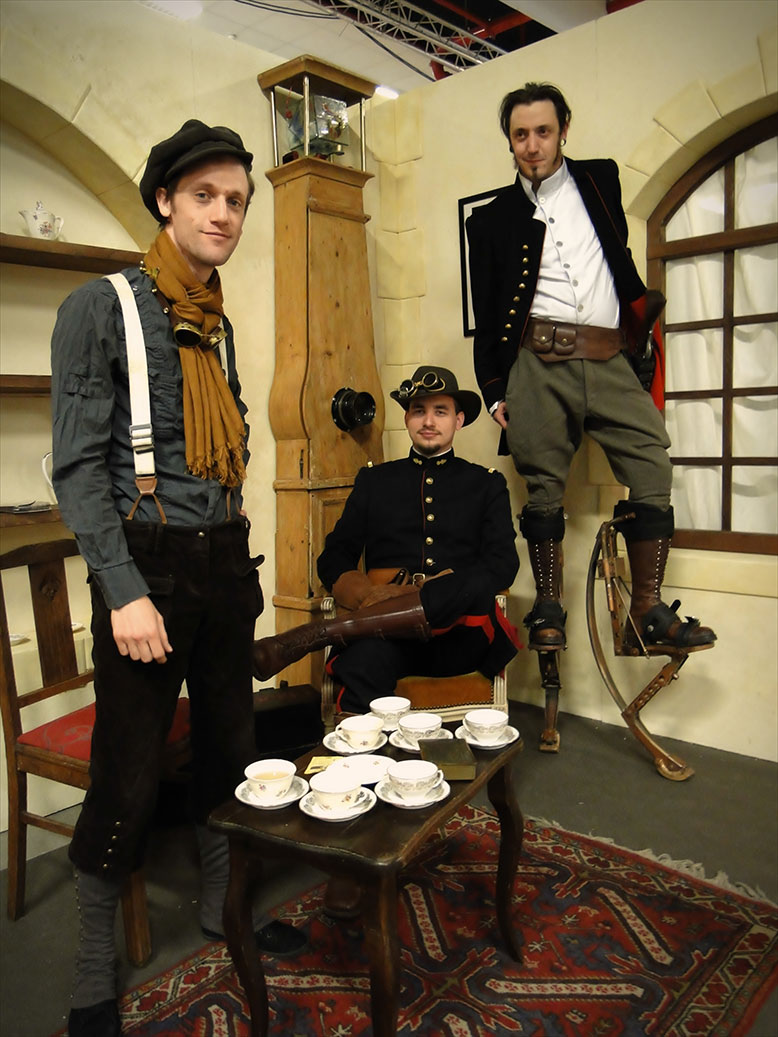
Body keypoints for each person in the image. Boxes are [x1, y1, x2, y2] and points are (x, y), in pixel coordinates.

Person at [51, 120, 304, 1037]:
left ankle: (219, 908)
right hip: (147, 565)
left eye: (235, 200)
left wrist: (234, 550)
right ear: (165, 200)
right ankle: (92, 971)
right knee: (127, 772)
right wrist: (123, 590)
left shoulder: (215, 319)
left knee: (230, 749)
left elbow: (219, 454)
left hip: (223, 559)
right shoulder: (101, 306)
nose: (223, 213)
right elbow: (78, 468)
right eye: (205, 195)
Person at [465, 82, 716, 653]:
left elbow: (618, 263)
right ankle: (548, 609)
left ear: (564, 131)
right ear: (509, 140)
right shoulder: (490, 221)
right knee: (543, 486)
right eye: (521, 134)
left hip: (608, 356)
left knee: (652, 463)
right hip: (537, 361)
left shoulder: (600, 179)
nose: (532, 145)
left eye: (543, 131)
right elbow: (488, 314)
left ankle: (647, 611)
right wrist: (496, 391)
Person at [252, 365, 520, 711]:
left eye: (440, 412)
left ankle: (319, 634)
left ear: (459, 420)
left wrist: (428, 592)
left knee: (467, 583)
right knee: (360, 665)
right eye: (418, 411)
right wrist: (368, 596)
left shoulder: (486, 484)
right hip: (387, 635)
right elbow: (334, 557)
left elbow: (503, 564)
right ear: (407, 419)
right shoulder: (374, 482)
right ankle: (373, 749)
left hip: (459, 634)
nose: (428, 421)